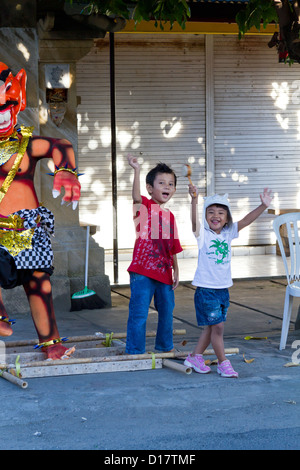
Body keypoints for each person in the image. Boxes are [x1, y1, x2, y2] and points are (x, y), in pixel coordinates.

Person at [0, 62, 81, 360]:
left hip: (24, 228)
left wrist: (67, 170)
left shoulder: (25, 144)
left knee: (38, 282)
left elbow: (60, 144)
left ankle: (51, 344)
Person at [184, 186, 273, 377]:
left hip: (223, 290)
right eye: (211, 212)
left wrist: (263, 206)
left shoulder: (228, 233)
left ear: (227, 217)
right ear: (205, 216)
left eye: (221, 212)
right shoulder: (203, 235)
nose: (215, 216)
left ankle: (195, 356)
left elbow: (247, 220)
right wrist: (194, 201)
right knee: (218, 327)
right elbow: (194, 223)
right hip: (206, 290)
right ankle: (224, 363)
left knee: (211, 326)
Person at [125, 155, 183, 354]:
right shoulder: (144, 207)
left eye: (171, 183)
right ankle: (134, 351)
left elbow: (173, 246)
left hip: (165, 273)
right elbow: (135, 196)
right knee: (139, 313)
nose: (167, 186)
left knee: (167, 312)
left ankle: (165, 347)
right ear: (150, 188)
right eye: (161, 183)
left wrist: (176, 270)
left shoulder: (170, 216)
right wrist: (136, 170)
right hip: (142, 272)